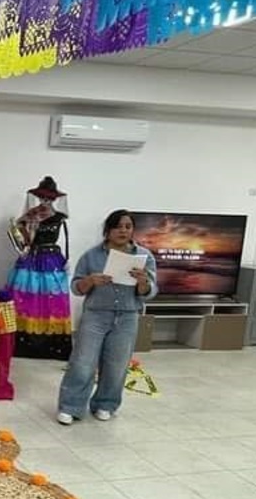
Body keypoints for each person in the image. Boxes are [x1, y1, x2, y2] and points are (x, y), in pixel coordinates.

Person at [57, 209, 157, 425]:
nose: (123, 231)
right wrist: (90, 281)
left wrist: (143, 282)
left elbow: (150, 292)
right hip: (95, 315)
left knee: (117, 364)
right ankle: (70, 406)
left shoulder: (144, 257)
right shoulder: (91, 256)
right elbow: (76, 288)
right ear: (108, 230)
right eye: (118, 226)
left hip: (128, 317)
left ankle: (105, 404)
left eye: (128, 227)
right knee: (83, 362)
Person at [8, 176, 72, 360]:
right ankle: (24, 344)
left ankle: (52, 346)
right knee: (27, 297)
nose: (46, 201)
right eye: (43, 197)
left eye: (49, 198)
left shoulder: (59, 217)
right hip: (30, 260)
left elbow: (65, 238)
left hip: (51, 261)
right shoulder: (29, 216)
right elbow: (21, 237)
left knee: (52, 299)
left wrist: (67, 260)